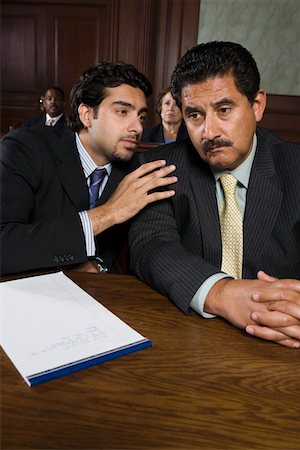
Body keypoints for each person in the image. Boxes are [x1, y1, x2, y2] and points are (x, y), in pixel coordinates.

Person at [129, 41, 300, 348]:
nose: (209, 132)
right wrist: (221, 293)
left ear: (257, 105)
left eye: (224, 110)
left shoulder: (295, 167)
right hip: (188, 340)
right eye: (194, 115)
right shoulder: (161, 166)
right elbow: (150, 246)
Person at [0, 62, 177, 276]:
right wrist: (109, 213)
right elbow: (4, 244)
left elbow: (125, 245)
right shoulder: (25, 148)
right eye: (122, 111)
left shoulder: (136, 169)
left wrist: (100, 264)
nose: (138, 128)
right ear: (86, 115)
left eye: (140, 116)